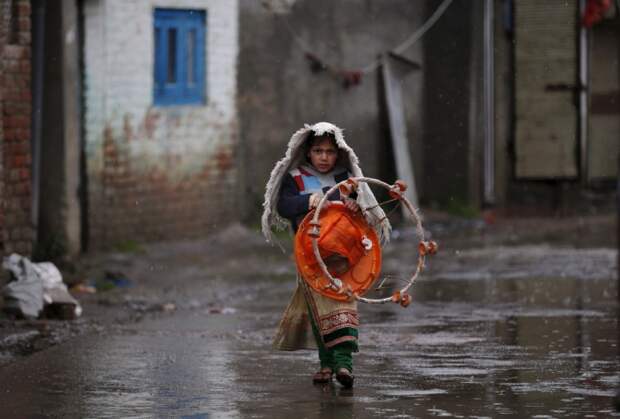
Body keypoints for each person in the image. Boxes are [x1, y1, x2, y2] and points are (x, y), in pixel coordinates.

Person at [261, 122, 390, 388]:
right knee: (319, 309)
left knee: (343, 303)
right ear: (308, 152)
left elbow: (362, 211)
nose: (323, 157)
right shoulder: (295, 178)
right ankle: (326, 362)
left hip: (346, 256)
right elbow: (284, 207)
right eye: (318, 151)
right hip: (310, 255)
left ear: (338, 153)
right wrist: (308, 201)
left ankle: (344, 364)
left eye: (329, 152)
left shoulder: (346, 179)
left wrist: (355, 205)